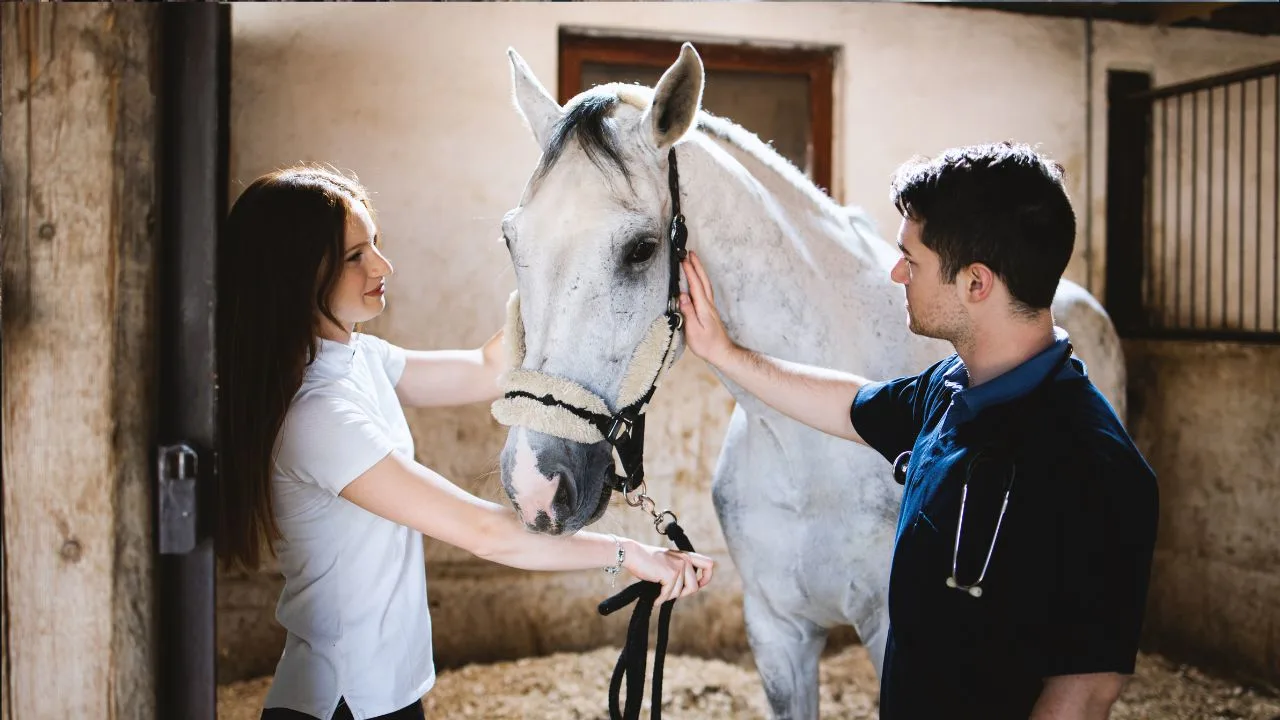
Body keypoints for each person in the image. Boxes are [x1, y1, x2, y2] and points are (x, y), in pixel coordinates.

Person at [676, 143, 1157, 719]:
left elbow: (1080, 696)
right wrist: (724, 353)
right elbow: (848, 402)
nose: (896, 272)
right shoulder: (950, 390)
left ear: (976, 284)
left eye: (913, 259)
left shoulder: (1100, 468)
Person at [216, 165, 714, 720]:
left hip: (387, 695)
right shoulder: (317, 417)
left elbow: (484, 367)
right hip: (339, 703)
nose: (382, 266)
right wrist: (630, 554)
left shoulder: (360, 360)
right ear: (295, 273)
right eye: (354, 255)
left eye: (374, 245)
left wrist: (568, 274)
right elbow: (485, 532)